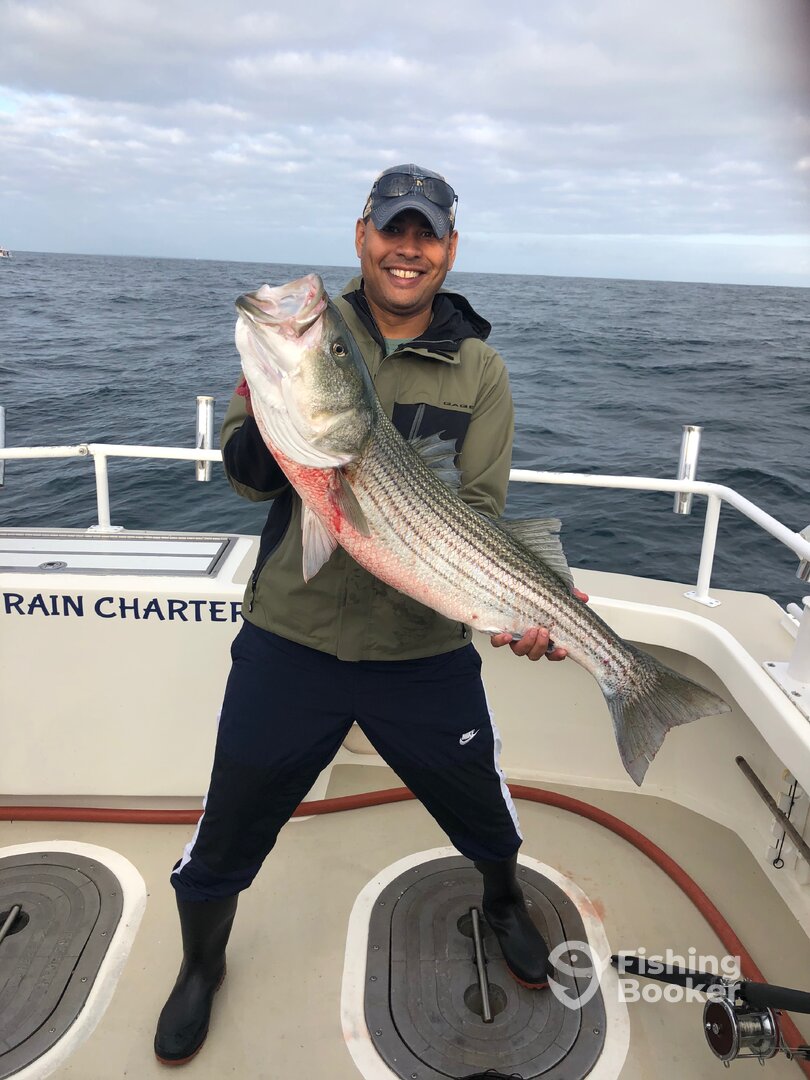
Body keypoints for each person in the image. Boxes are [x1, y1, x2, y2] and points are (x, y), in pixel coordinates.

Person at [154, 164, 587, 1066]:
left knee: (482, 807)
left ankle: (503, 898)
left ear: (450, 250)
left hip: (422, 646)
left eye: (426, 234)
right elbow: (246, 476)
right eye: (393, 228)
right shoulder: (308, 339)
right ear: (363, 236)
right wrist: (282, 421)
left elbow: (481, 512)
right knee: (230, 819)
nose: (407, 249)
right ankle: (200, 964)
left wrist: (524, 603)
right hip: (292, 637)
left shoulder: (481, 370)